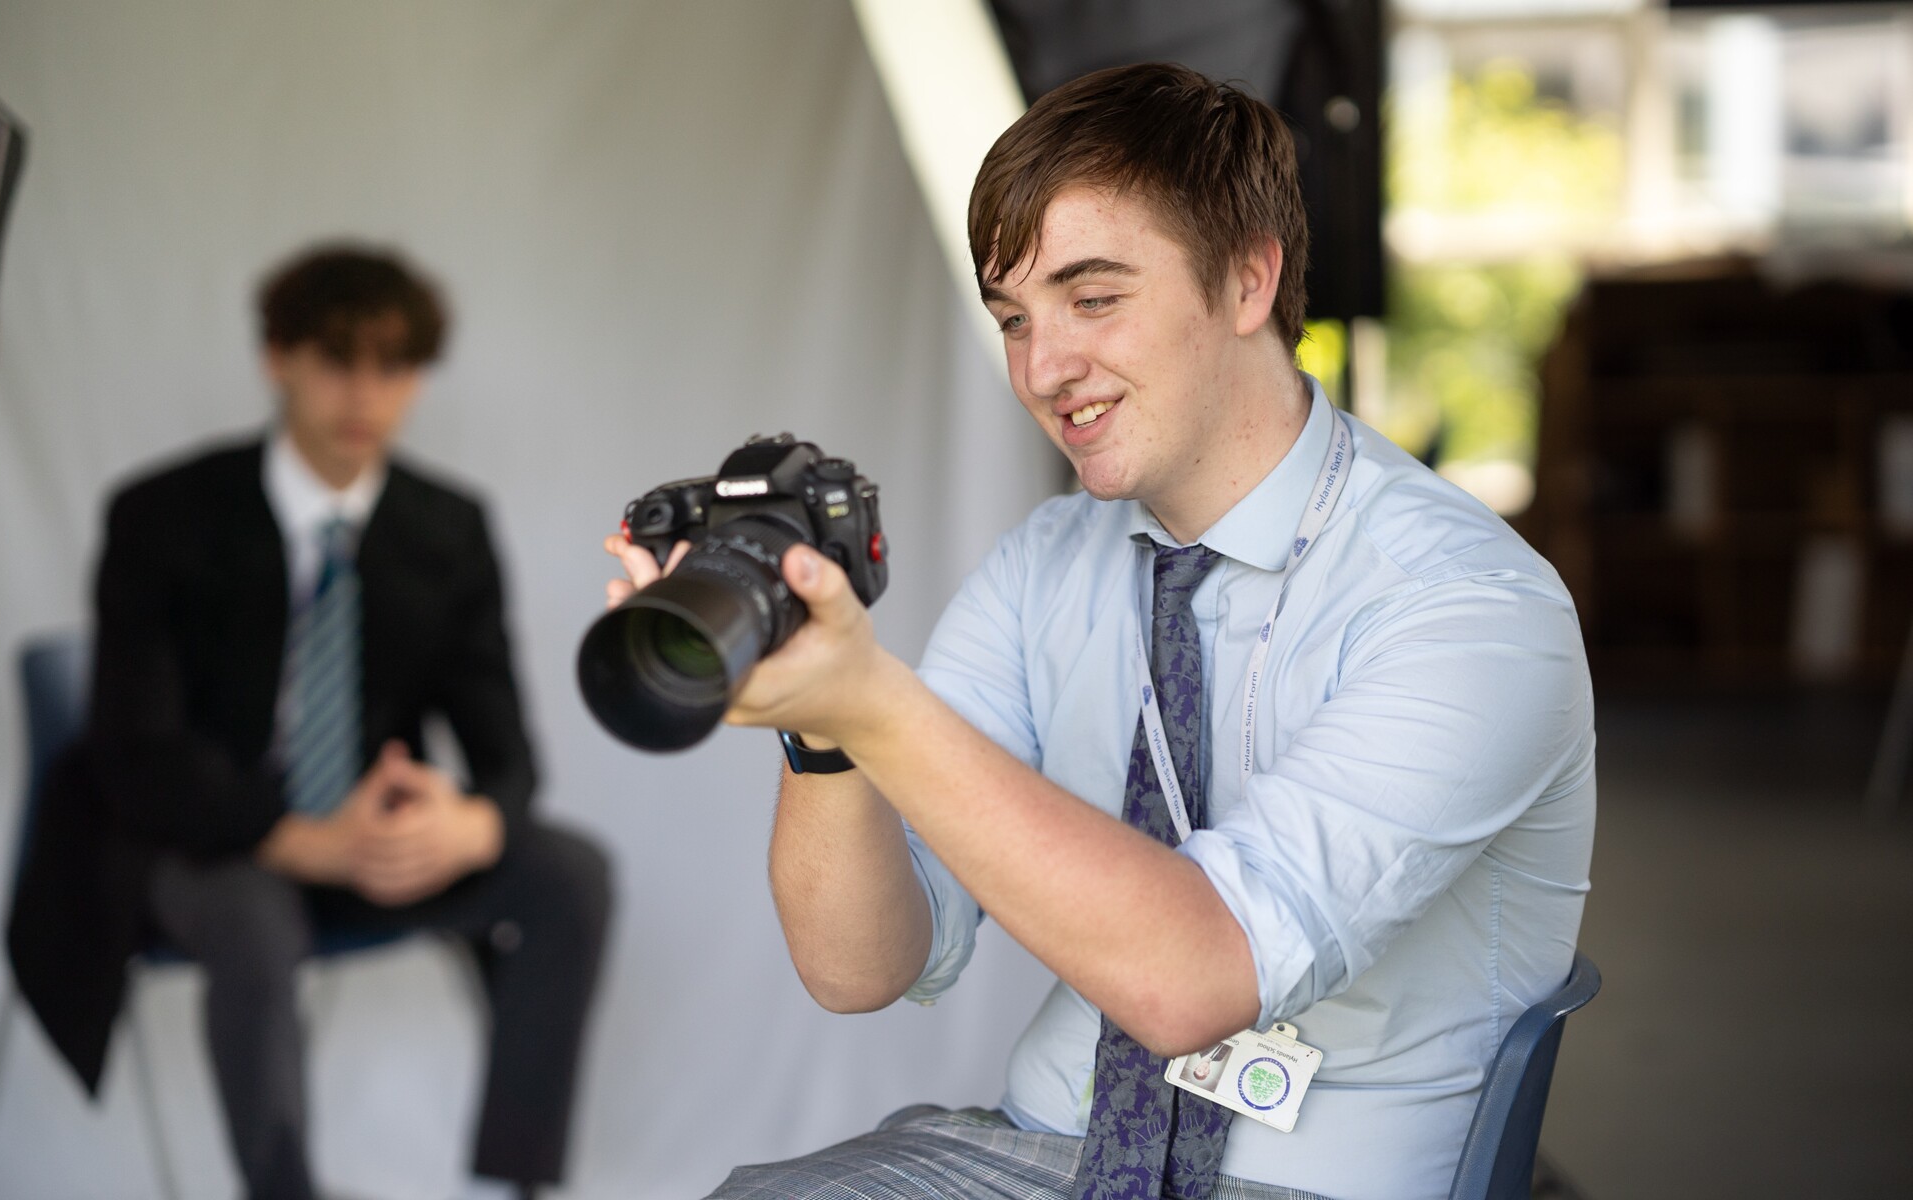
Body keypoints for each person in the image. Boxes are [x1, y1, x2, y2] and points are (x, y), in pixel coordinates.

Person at [606, 63, 1592, 1200]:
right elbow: (856, 965)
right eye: (1014, 317)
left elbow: (1194, 979)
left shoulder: (1465, 605)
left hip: (1310, 1179)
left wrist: (872, 702)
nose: (1039, 367)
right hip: (1042, 1147)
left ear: (1247, 282)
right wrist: (821, 733)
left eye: (1093, 298)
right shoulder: (1044, 564)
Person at [10, 244, 612, 1200]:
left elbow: (506, 746)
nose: (364, 393)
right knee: (253, 921)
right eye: (338, 359)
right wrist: (295, 839)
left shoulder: (446, 527)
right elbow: (137, 753)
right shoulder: (162, 514)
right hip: (193, 838)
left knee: (569, 876)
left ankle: (520, 1180)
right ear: (278, 358)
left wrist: (470, 821)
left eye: (394, 365)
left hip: (366, 838)